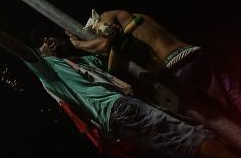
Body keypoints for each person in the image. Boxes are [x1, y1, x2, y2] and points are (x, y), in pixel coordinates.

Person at [0, 4, 241, 158]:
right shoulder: (50, 70)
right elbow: (20, 50)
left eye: (49, 37)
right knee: (188, 138)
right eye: (42, 43)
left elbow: (112, 61)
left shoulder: (84, 62)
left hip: (135, 103)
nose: (48, 42)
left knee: (200, 133)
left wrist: (102, 43)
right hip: (118, 109)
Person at [70, 9, 241, 119]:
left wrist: (79, 45)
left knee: (220, 110)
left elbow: (106, 37)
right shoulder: (136, 18)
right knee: (231, 94)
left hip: (175, 63)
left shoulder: (107, 18)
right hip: (191, 52)